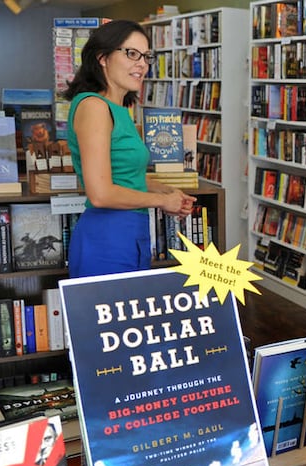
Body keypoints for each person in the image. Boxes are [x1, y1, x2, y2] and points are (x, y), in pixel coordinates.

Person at [62, 20, 195, 278]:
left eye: (146, 56)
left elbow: (125, 176)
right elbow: (100, 193)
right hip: (107, 239)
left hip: (131, 233)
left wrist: (169, 191)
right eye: (132, 54)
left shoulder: (120, 110)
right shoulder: (94, 106)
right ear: (102, 58)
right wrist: (162, 201)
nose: (142, 64)